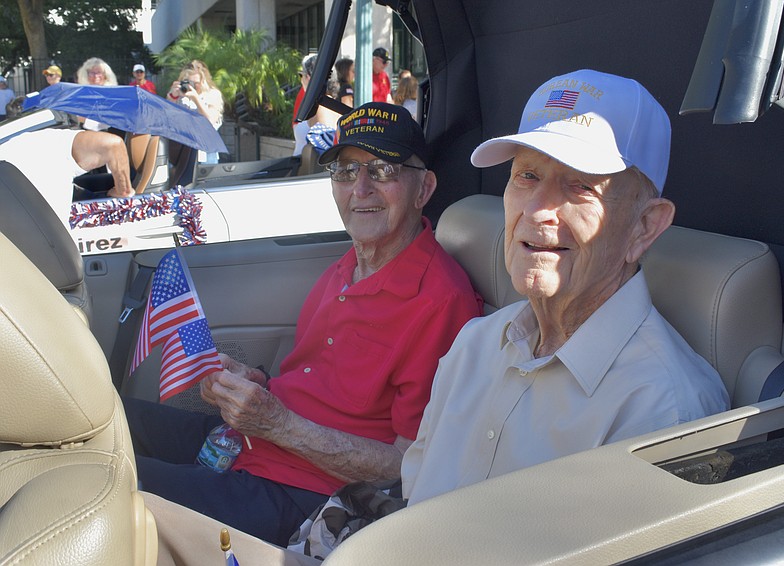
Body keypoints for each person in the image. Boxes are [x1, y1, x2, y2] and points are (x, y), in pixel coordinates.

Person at [122, 100, 483, 546]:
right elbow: (320, 384)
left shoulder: (440, 301)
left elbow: (408, 465)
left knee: (105, 484)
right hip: (247, 443)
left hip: (298, 493)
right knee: (106, 419)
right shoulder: (350, 263)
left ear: (423, 188)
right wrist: (257, 385)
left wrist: (276, 424)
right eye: (346, 171)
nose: (361, 188)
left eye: (383, 170)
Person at [401, 69, 731, 505]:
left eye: (580, 186)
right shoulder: (474, 343)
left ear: (644, 227)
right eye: (527, 177)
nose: (537, 211)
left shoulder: (662, 409)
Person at [0, 128, 133, 219]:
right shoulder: (27, 142)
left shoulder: (44, 143)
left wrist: (123, 190)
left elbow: (113, 144)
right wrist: (122, 190)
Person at [167, 61, 224, 164]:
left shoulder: (213, 95)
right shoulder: (181, 95)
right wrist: (172, 96)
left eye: (196, 83)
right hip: (182, 148)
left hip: (206, 151)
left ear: (204, 81)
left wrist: (196, 99)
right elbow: (168, 117)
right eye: (188, 82)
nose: (192, 86)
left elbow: (210, 121)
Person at [293, 55, 341, 158]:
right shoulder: (329, 104)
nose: (301, 80)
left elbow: (325, 150)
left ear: (309, 78)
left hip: (308, 173)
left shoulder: (321, 108)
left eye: (302, 75)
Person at [76, 58, 118, 131]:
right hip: (84, 132)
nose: (96, 76)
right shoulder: (80, 94)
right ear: (86, 75)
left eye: (99, 72)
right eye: (92, 73)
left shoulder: (112, 94)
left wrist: (86, 120)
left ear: (105, 75)